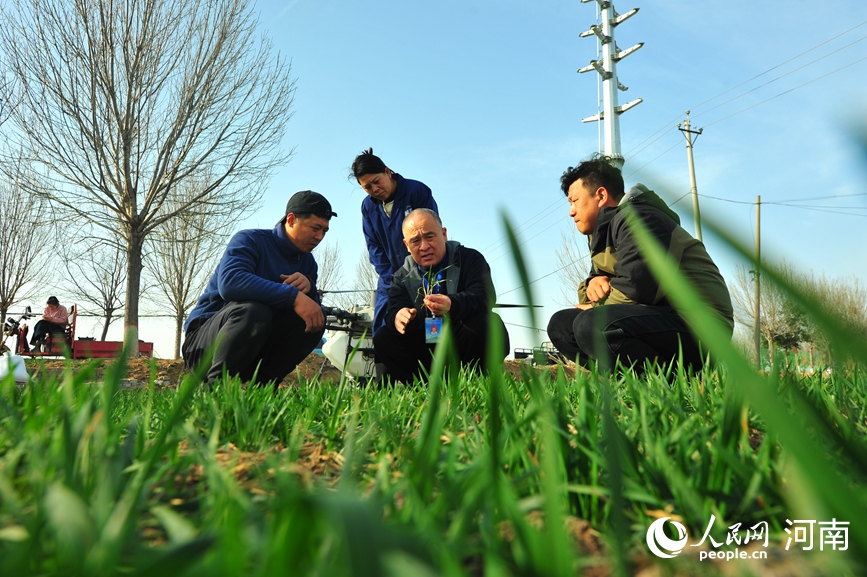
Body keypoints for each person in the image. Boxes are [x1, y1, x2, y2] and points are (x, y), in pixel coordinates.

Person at [546, 155, 733, 373]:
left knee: (590, 323)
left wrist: (597, 306)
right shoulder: (602, 235)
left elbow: (636, 290)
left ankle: (667, 383)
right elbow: (595, 294)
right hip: (659, 320)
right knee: (561, 325)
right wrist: (593, 281)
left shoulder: (641, 219)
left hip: (701, 327)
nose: (571, 211)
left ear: (601, 195)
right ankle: (629, 381)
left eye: (574, 201)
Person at [182, 191, 335, 386]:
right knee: (254, 311)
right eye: (315, 228)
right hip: (204, 346)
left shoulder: (308, 263)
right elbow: (230, 283)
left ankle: (264, 387)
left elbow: (306, 313)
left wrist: (309, 290)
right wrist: (294, 296)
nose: (320, 236)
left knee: (314, 318)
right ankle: (217, 388)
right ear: (291, 219)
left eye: (324, 231)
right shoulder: (250, 240)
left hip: (257, 348)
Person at [374, 208, 509, 383]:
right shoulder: (401, 276)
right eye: (415, 241)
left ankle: (475, 381)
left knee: (486, 324)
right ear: (407, 245)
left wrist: (452, 304)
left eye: (430, 236)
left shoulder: (469, 259)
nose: (424, 246)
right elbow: (393, 312)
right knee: (384, 336)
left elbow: (484, 295)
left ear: (444, 234)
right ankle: (423, 388)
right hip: (425, 347)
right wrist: (398, 318)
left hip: (462, 341)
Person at [352, 148, 438, 336]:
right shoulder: (368, 207)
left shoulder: (416, 192)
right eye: (367, 187)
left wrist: (416, 274)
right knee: (384, 329)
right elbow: (373, 246)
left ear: (388, 172)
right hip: (389, 278)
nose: (374, 189)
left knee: (428, 326)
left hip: (423, 274)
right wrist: (394, 279)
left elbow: (431, 235)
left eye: (376, 181)